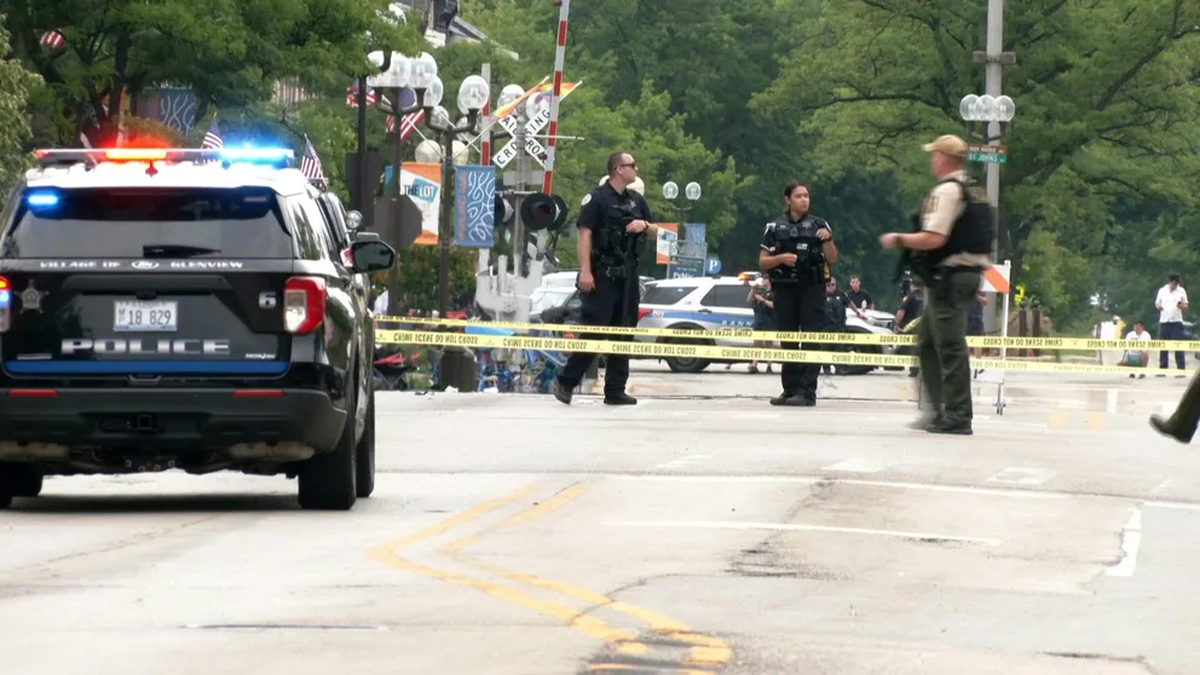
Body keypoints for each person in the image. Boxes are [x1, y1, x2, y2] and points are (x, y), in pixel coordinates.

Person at [879, 134, 994, 434]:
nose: (932, 160)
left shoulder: (948, 191)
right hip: (965, 274)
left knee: (949, 345)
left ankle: (956, 415)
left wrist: (899, 239)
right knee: (928, 340)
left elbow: (935, 238)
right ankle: (937, 410)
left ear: (945, 158)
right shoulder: (975, 189)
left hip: (950, 277)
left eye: (934, 155)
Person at [554, 151, 657, 406]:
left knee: (624, 331)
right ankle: (566, 382)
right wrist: (586, 271)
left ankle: (615, 390)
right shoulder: (597, 199)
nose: (636, 169)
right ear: (618, 169)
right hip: (603, 274)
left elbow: (656, 232)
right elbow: (584, 234)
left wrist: (644, 225)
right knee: (596, 330)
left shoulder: (636, 201)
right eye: (632, 165)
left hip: (628, 275)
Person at [759, 181, 838, 406]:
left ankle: (807, 392)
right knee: (788, 339)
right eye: (799, 196)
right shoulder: (774, 227)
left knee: (811, 339)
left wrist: (828, 239)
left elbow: (832, 258)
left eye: (807, 196)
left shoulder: (819, 225)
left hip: (812, 288)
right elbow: (763, 262)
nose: (804, 200)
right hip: (784, 288)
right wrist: (780, 259)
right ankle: (790, 389)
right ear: (788, 200)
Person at [1155, 273, 1189, 375]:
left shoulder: (1181, 291)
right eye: (1173, 283)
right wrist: (1159, 306)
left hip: (1176, 321)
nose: (1175, 285)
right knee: (1163, 345)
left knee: (1178, 346)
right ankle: (1163, 369)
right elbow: (1157, 303)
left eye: (1176, 284)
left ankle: (1180, 370)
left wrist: (1181, 305)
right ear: (1170, 282)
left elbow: (1186, 306)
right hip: (1164, 321)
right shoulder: (1162, 291)